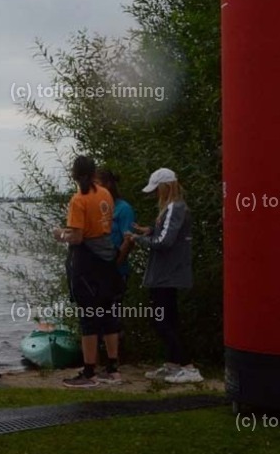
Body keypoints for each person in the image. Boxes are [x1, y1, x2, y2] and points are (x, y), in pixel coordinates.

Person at [127, 167, 203, 384]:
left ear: (165, 187)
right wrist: (149, 230)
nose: (154, 194)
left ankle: (187, 366)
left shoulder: (173, 208)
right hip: (168, 273)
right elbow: (166, 234)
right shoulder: (174, 208)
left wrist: (137, 239)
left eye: (156, 189)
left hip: (166, 274)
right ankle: (173, 363)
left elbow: (165, 242)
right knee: (168, 318)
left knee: (160, 320)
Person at [53, 156, 124, 388]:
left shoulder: (78, 200)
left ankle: (89, 372)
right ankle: (113, 369)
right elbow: (100, 225)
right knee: (108, 314)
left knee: (88, 318)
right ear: (94, 173)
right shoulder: (105, 194)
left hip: (87, 262)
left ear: (73, 174)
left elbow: (78, 236)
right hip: (107, 257)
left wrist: (60, 234)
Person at [97, 168, 136, 381]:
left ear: (108, 185)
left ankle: (115, 363)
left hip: (115, 272)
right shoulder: (100, 208)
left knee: (112, 316)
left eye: (97, 184)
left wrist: (115, 265)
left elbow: (128, 240)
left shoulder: (123, 209)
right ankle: (101, 362)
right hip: (96, 272)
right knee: (97, 317)